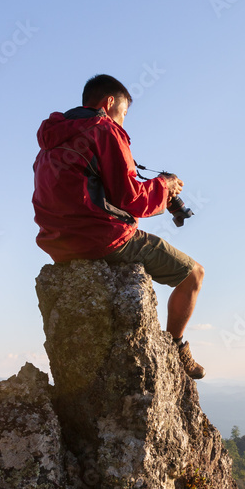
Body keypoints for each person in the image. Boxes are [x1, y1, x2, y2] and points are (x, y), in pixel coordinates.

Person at [32, 74, 206, 379]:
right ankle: (176, 347)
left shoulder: (49, 141)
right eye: (123, 114)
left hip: (57, 245)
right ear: (108, 103)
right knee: (193, 274)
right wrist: (164, 186)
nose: (123, 122)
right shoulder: (104, 130)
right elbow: (132, 199)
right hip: (102, 239)